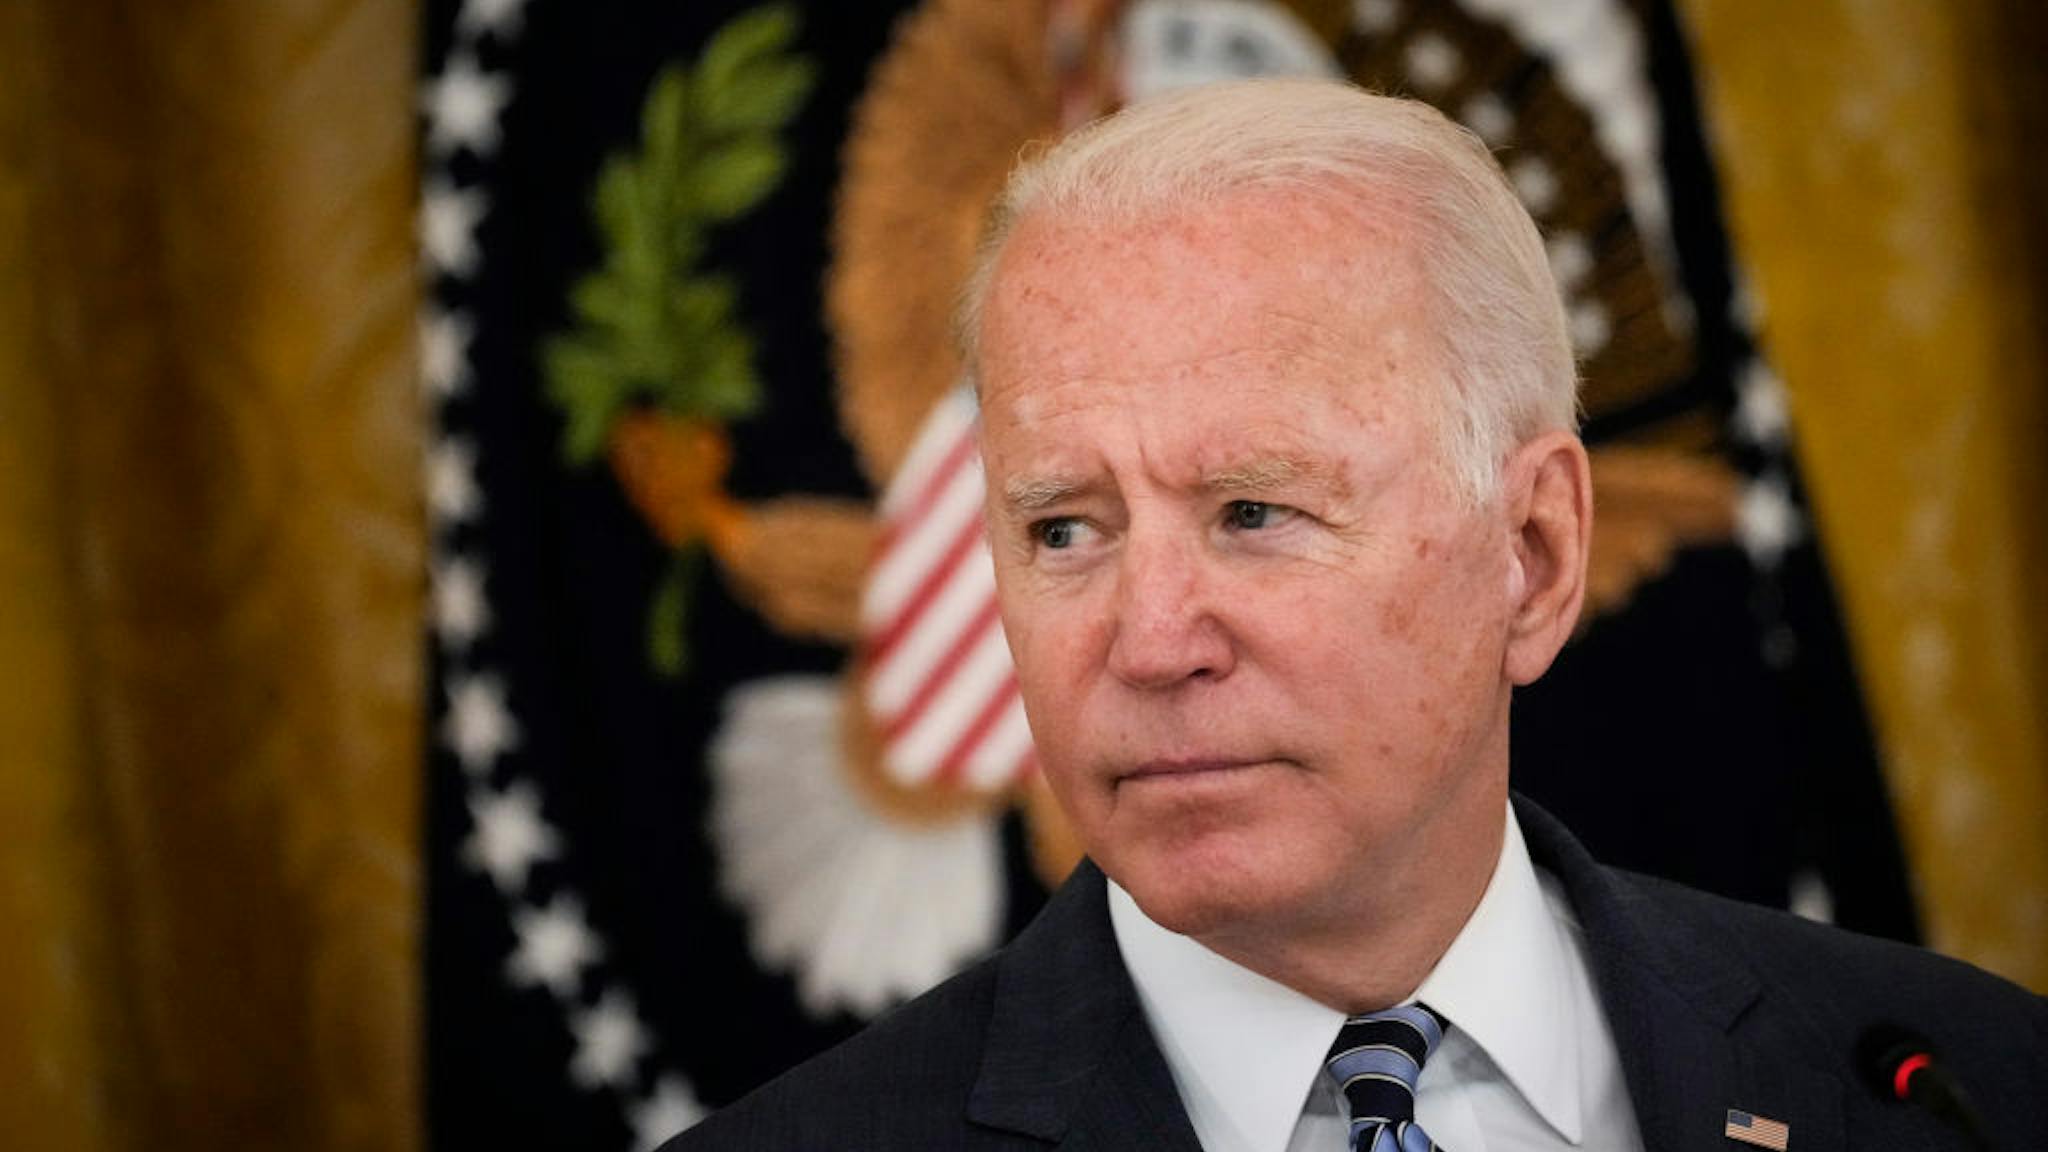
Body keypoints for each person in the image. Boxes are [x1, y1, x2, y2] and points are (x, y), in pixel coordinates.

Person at [667, 78, 2046, 1152]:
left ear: (1536, 552)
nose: (1150, 642)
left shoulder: (1966, 1093)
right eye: (1064, 530)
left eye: (1254, 514)